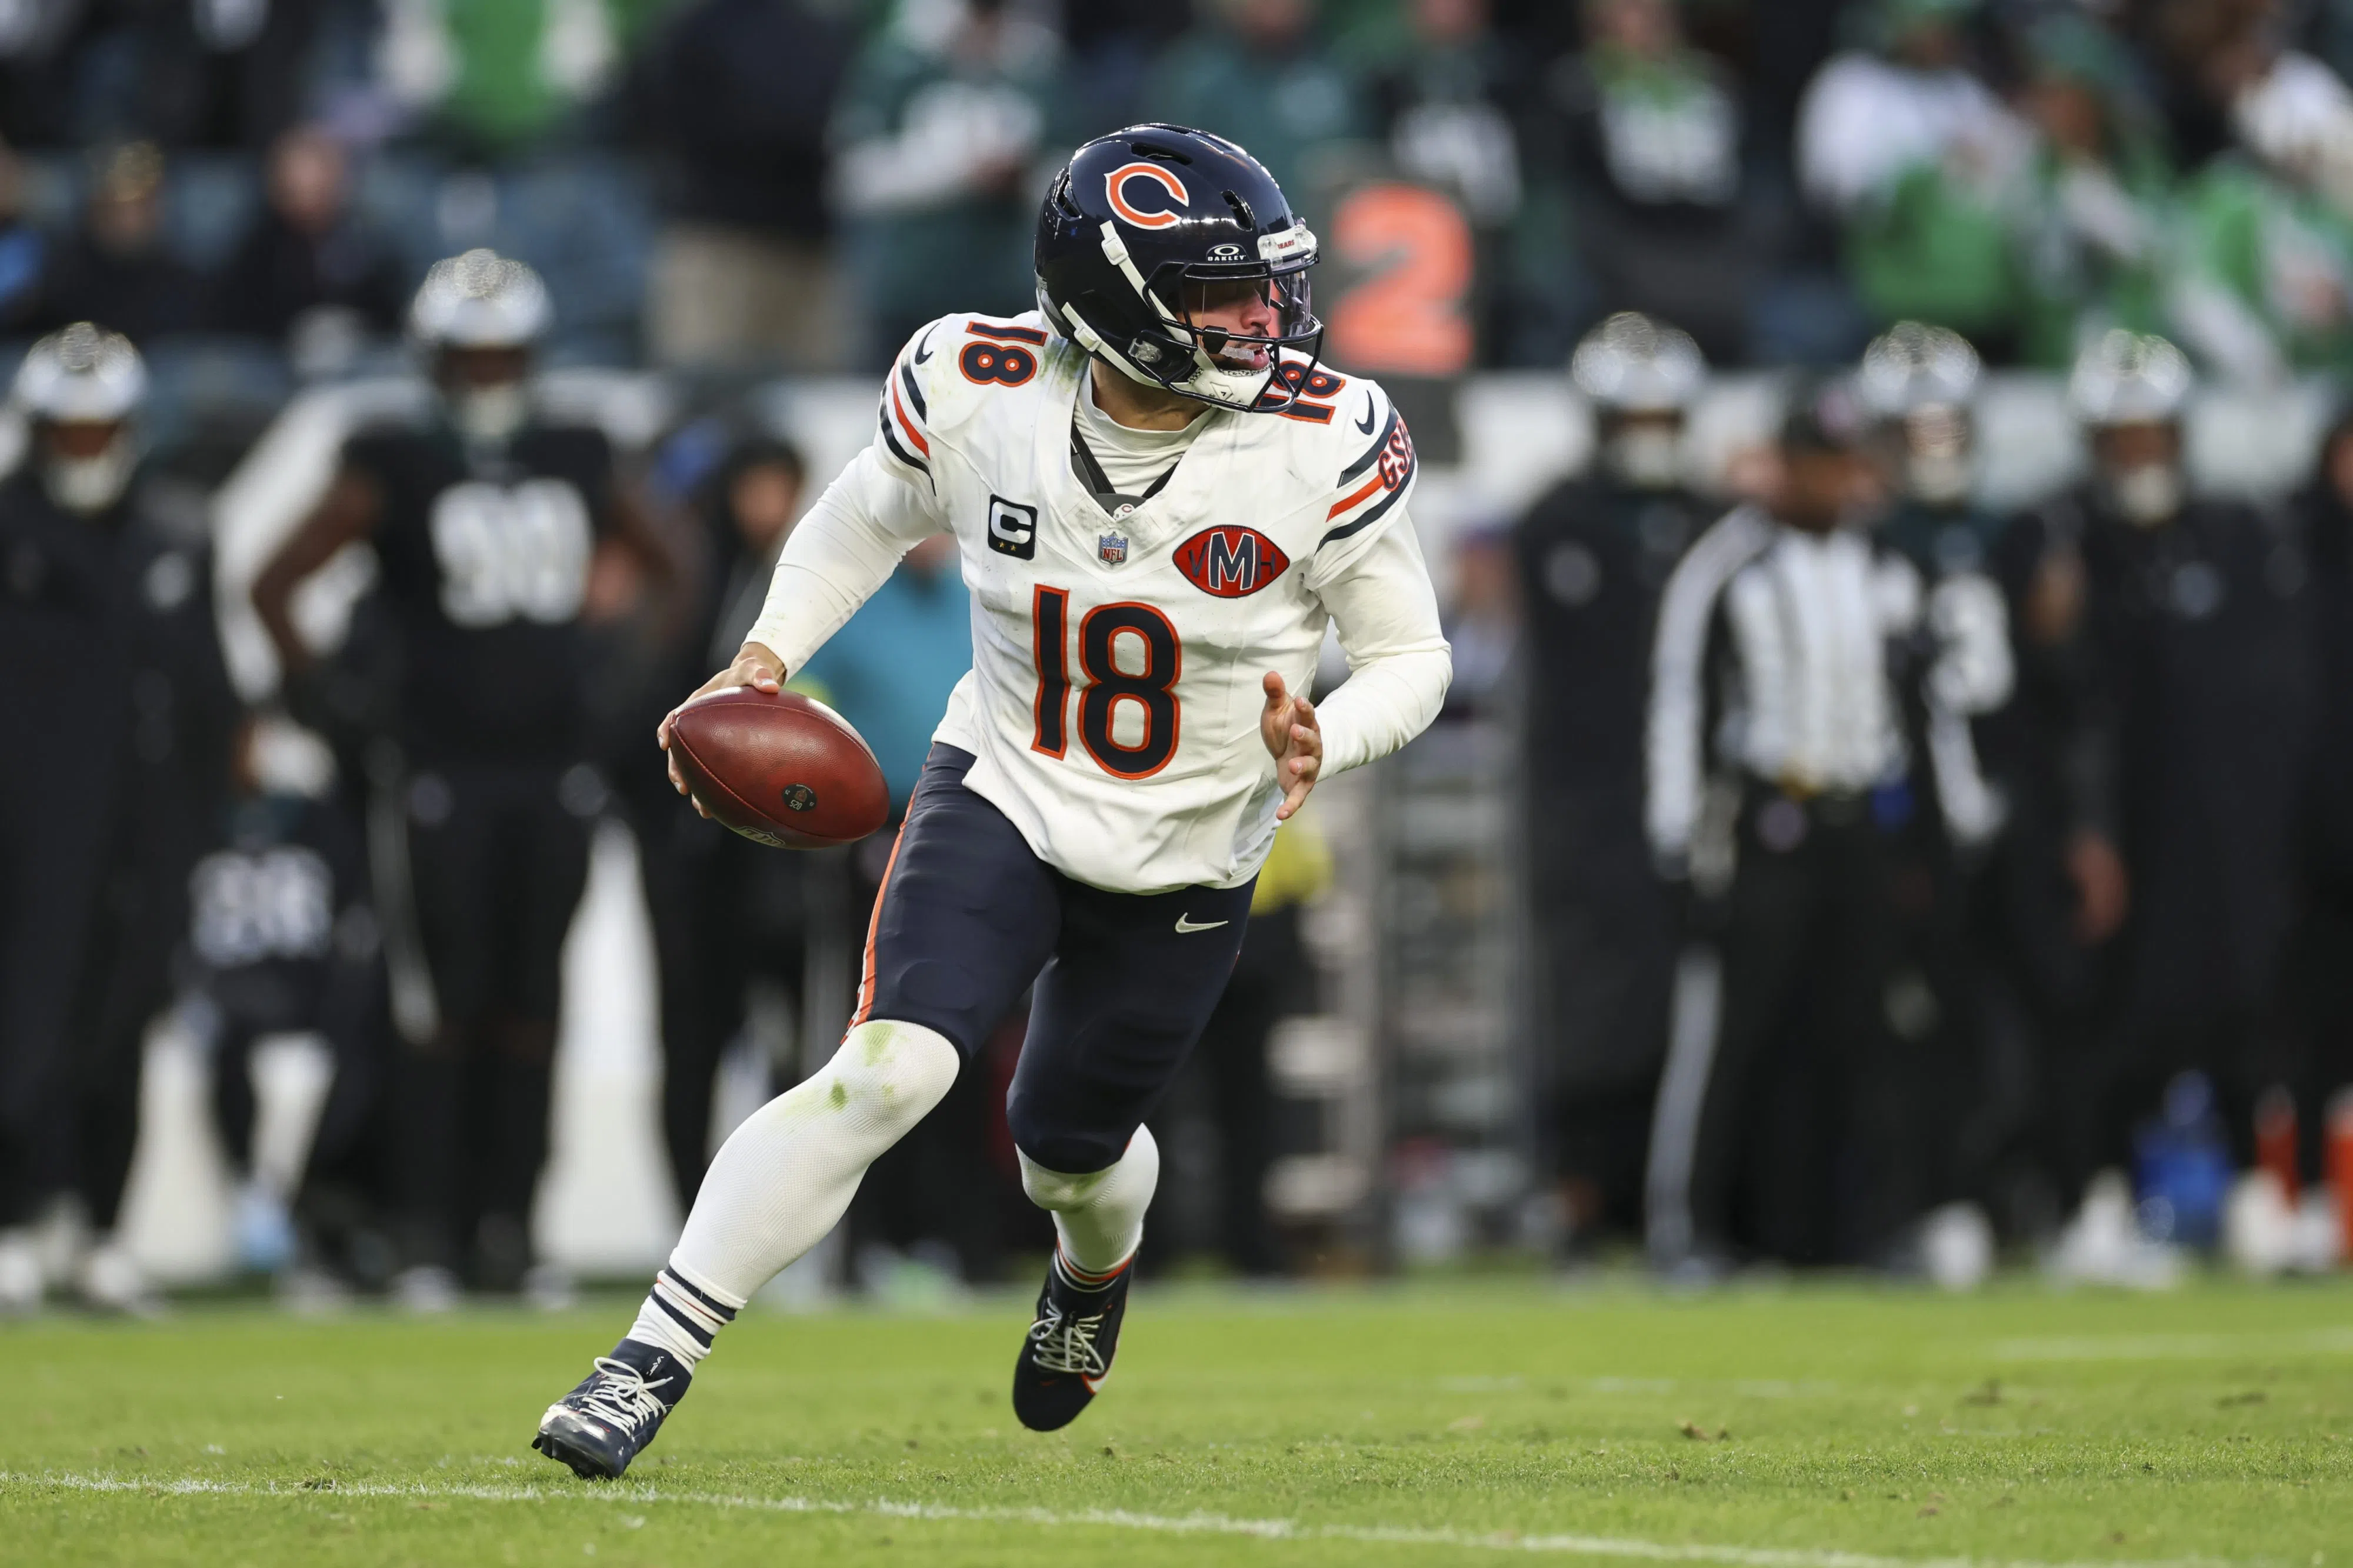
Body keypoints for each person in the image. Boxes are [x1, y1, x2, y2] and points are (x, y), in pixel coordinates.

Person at [531, 124, 1450, 1479]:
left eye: (1262, 286)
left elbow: (1411, 655)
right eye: (1217, 293)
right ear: (1115, 303)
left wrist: (1331, 731)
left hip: (1189, 851)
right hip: (1001, 788)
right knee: (888, 1068)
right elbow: (860, 515)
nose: (1259, 317)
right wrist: (765, 655)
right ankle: (648, 1358)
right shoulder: (976, 381)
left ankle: (1093, 1270)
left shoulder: (1324, 439)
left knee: (1064, 1155)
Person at [249, 251, 685, 1309]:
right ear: (434, 360)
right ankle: (426, 1235)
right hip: (437, 771)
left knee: (533, 1005)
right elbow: (273, 581)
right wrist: (338, 708)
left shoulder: (576, 447)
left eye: (504, 357)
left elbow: (673, 564)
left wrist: (621, 690)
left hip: (550, 770)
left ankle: (511, 1231)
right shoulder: (391, 457)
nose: (490, 377)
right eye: (470, 357)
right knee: (438, 1008)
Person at [1641, 376, 2011, 1277]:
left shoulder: (1890, 567)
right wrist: (1677, 833)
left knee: (1866, 1037)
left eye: (1846, 464)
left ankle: (1865, 1229)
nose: (1834, 482)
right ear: (1783, 465)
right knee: (1734, 1035)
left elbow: (1930, 708)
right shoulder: (1728, 562)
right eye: (1817, 462)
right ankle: (1689, 1225)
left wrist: (1952, 817)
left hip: (1861, 825)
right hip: (1770, 816)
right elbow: (1680, 697)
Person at [2005, 332, 2315, 1238]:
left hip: (2225, 821)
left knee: (2250, 1004)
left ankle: (2262, 1189)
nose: (2137, 453)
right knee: (2107, 1013)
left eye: (2150, 434)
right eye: (2120, 436)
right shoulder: (2062, 537)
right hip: (2114, 822)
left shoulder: (2235, 533)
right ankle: (2096, 1192)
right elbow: (2057, 706)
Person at [0, 323, 236, 1313]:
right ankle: (15, 1220)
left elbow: (208, 694)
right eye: (70, 431)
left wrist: (203, 820)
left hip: (149, 825)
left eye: (103, 430)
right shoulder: (9, 532)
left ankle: (101, 1228)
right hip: (26, 822)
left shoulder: (177, 533)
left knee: (122, 1024)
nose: (88, 448)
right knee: (23, 1025)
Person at [1513, 312, 1711, 1250]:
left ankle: (1686, 1192)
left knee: (1696, 1000)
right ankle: (1585, 1190)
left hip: (1699, 803)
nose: (1649, 438)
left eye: (1662, 418)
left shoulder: (1716, 525)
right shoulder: (1556, 523)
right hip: (1588, 803)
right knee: (1593, 1003)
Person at [638, 0, 855, 373]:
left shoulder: (819, 31)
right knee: (705, 389)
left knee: (814, 403)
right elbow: (662, 120)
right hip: (719, 241)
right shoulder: (699, 27)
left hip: (807, 245)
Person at [208, 124, 409, 355]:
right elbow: (237, 325)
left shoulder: (369, 243)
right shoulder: (255, 249)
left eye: (319, 184)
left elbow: (392, 321)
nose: (308, 197)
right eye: (296, 187)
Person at [25, 142, 202, 345]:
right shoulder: (57, 285)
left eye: (143, 205)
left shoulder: (185, 287)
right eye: (117, 207)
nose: (131, 219)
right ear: (95, 207)